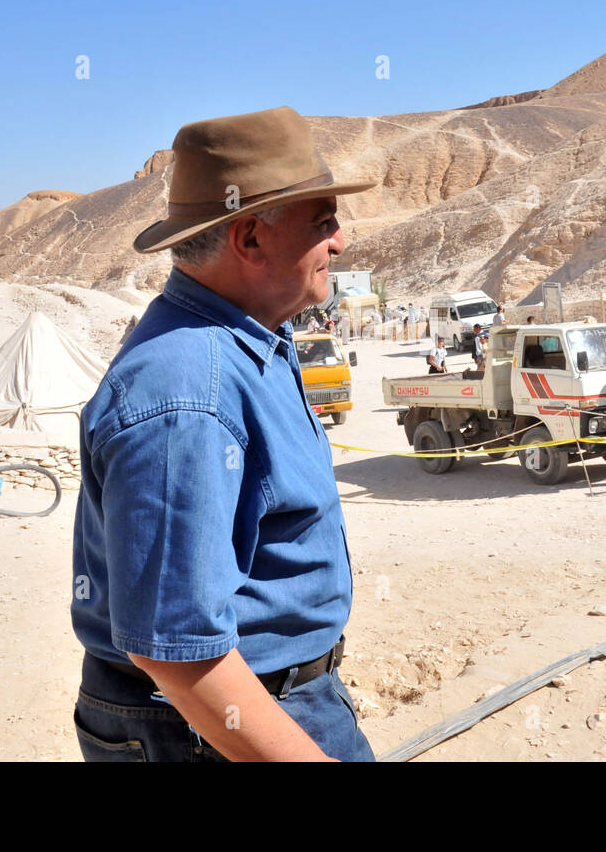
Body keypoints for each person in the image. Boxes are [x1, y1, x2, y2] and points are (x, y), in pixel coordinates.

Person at [73, 108, 378, 762]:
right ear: (249, 238)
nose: (341, 240)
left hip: (265, 705)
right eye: (322, 220)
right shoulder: (189, 391)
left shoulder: (249, 337)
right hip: (211, 727)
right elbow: (175, 651)